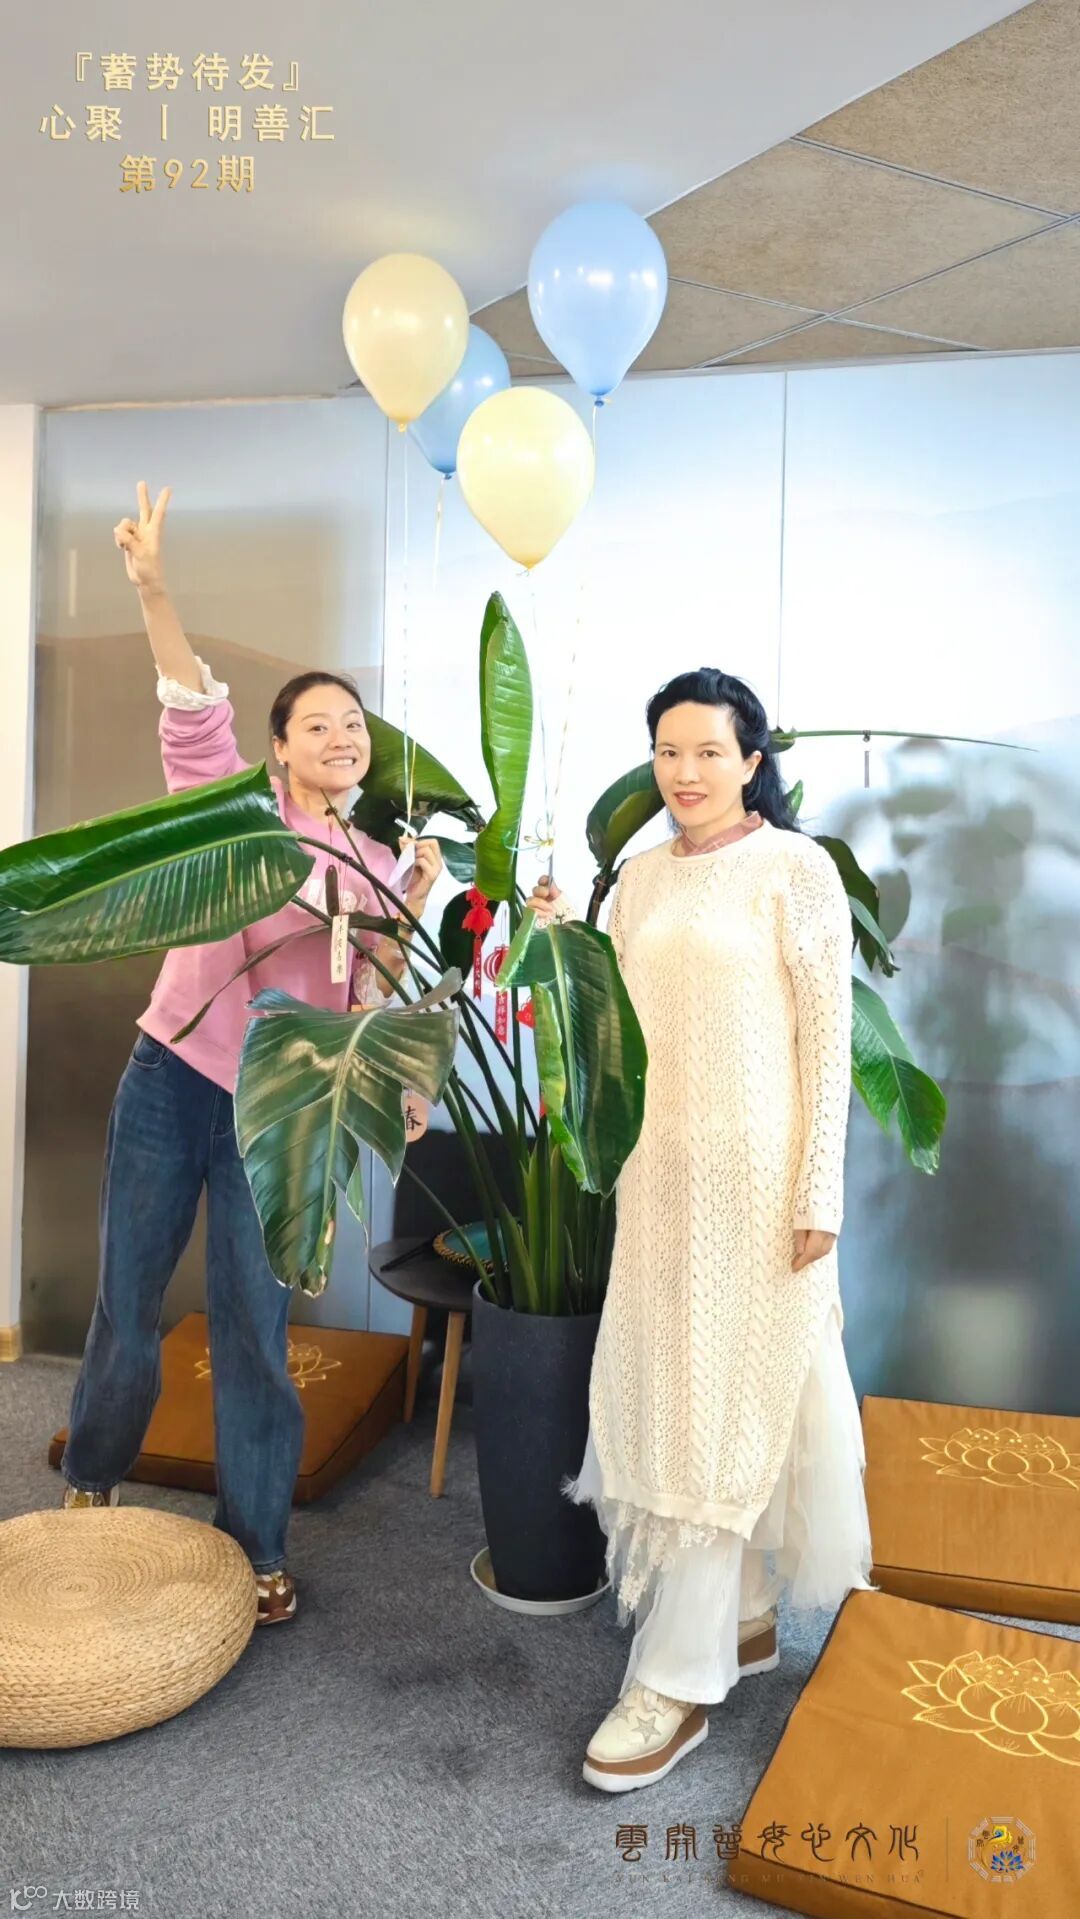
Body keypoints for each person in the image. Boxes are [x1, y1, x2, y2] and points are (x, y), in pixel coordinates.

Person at [59, 482, 443, 1626]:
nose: (342, 736)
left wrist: (410, 913)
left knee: (256, 1333)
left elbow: (365, 993)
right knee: (129, 1302)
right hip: (172, 1080)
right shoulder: (236, 813)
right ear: (277, 747)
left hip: (282, 1114)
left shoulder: (377, 861)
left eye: (354, 723)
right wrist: (152, 588)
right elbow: (190, 707)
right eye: (317, 722)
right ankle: (93, 1476)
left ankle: (259, 1544)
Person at [524, 667, 877, 1791]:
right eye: (669, 751)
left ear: (751, 761)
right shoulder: (636, 879)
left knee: (722, 1407)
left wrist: (819, 1193)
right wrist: (553, 943)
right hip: (658, 1178)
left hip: (759, 1183)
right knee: (682, 1390)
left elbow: (828, 1041)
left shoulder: (796, 870)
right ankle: (749, 1612)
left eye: (709, 751)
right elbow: (606, 1025)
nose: (686, 772)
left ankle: (676, 1676)